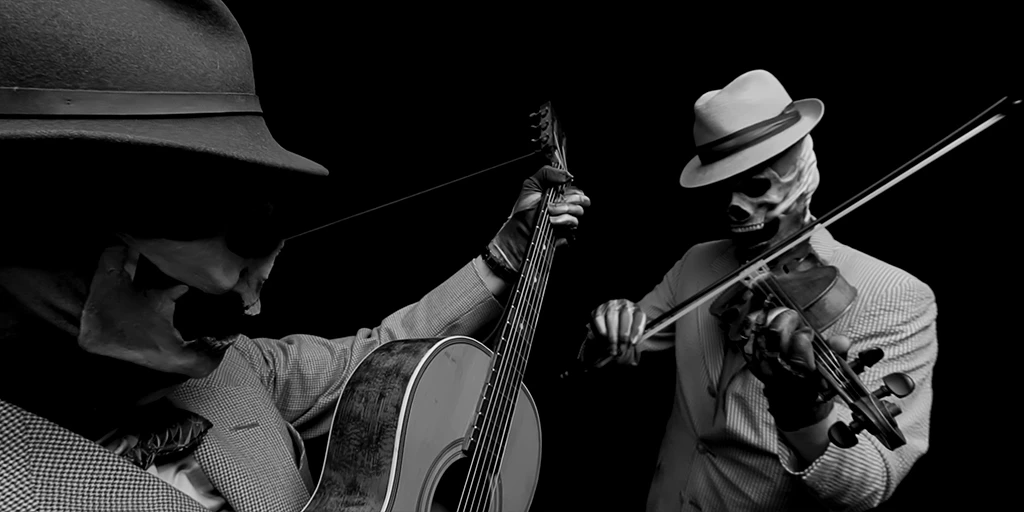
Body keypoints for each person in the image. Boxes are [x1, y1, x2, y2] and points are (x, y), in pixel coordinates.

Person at [0, 1, 589, 511]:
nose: (248, 311)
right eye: (203, 307)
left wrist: (501, 261)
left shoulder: (231, 372)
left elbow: (380, 371)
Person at [580, 70, 937, 511]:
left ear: (802, 174)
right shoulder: (699, 262)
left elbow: (869, 486)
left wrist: (801, 409)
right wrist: (604, 332)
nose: (733, 208)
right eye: (722, 189)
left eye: (754, 186)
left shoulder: (895, 294)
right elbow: (610, 356)